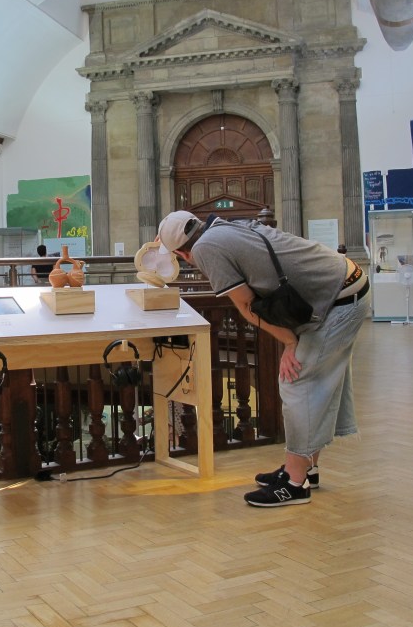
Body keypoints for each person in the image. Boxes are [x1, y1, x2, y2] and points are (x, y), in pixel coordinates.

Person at [156, 210, 370, 508]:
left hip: (338, 299)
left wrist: (290, 341)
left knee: (298, 382)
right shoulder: (222, 228)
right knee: (318, 382)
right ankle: (306, 468)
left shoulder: (205, 249)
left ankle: (295, 484)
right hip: (342, 287)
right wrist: (290, 340)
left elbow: (246, 304)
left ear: (181, 253)